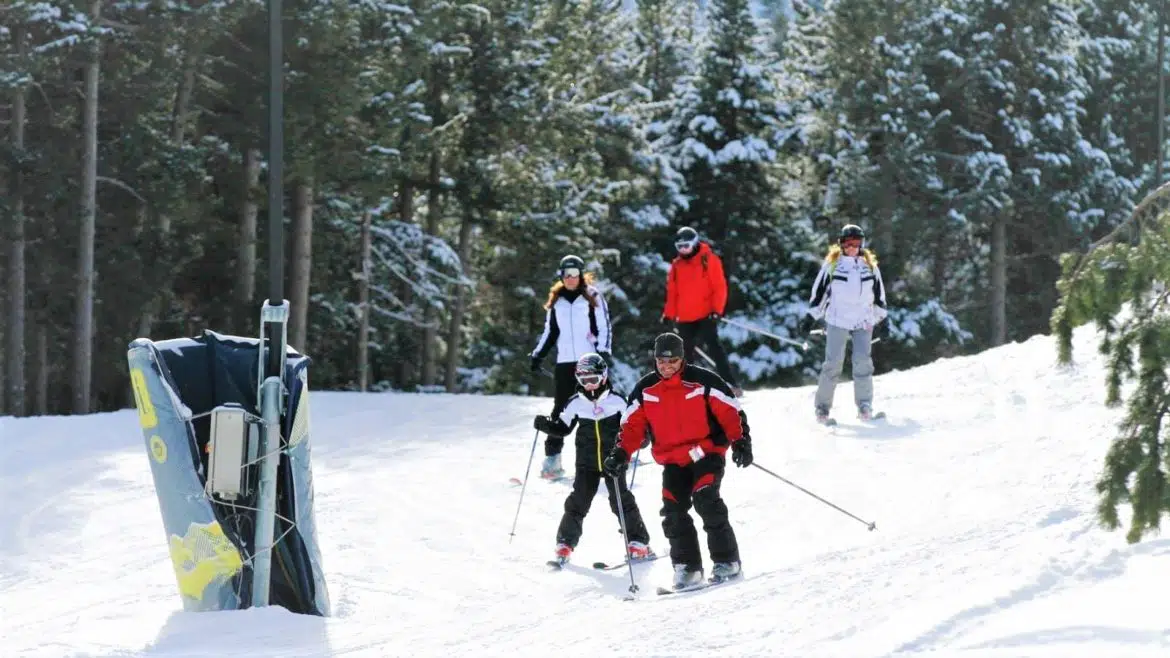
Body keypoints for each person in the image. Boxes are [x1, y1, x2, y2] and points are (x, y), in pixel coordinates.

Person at [602, 332, 753, 590]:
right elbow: (631, 427)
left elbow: (731, 411)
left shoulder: (702, 381)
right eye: (662, 361)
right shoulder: (645, 390)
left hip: (706, 452)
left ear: (682, 360)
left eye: (672, 362)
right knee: (673, 511)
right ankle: (687, 568)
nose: (667, 367)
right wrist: (620, 454)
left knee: (705, 498)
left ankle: (727, 561)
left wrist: (741, 442)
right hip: (673, 460)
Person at [533, 353, 653, 565]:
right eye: (583, 380)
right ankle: (565, 543)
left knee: (620, 500)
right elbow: (562, 428)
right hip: (586, 463)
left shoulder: (616, 401)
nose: (588, 385)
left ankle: (638, 542)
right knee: (578, 501)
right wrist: (545, 425)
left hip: (613, 461)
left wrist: (643, 436)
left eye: (593, 380)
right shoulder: (575, 404)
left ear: (604, 377)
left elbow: (632, 426)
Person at [530, 254, 613, 479]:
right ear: (561, 275)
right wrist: (538, 355)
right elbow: (551, 332)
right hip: (566, 362)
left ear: (581, 275)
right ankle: (552, 461)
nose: (570, 278)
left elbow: (604, 326)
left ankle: (619, 453)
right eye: (566, 274)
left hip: (591, 360)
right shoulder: (556, 300)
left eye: (575, 273)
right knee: (561, 410)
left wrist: (603, 350)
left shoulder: (592, 296)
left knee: (603, 405)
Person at [798, 224, 888, 423]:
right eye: (848, 243)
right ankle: (822, 408)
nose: (853, 247)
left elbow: (879, 296)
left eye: (857, 243)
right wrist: (810, 318)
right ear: (841, 244)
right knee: (833, 364)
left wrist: (883, 319)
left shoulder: (870, 266)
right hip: (838, 319)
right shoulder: (832, 265)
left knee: (863, 363)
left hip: (864, 320)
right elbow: (818, 295)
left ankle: (864, 406)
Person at [661, 226, 741, 396]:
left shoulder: (708, 260)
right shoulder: (677, 265)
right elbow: (673, 293)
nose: (683, 250)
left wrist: (716, 310)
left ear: (695, 243)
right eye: (679, 247)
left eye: (686, 246)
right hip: (685, 317)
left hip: (706, 314)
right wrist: (668, 314)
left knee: (714, 348)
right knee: (685, 353)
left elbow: (719, 287)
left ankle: (731, 383)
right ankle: (688, 387)